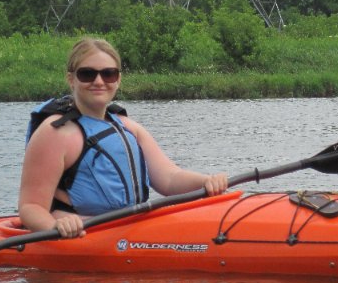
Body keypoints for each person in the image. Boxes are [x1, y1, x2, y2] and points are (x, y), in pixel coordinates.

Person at [18, 37, 229, 238]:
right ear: (71, 79)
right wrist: (56, 226)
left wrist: (207, 181)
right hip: (83, 232)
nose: (99, 81)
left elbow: (169, 179)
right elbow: (31, 207)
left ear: (118, 80)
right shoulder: (55, 133)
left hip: (128, 228)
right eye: (87, 74)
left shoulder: (128, 127)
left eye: (108, 74)